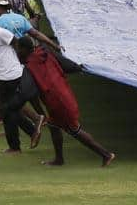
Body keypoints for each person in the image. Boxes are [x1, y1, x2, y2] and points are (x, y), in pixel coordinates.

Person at [16, 37, 115, 167]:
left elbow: (28, 91)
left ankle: (106, 154)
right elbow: (66, 65)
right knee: (54, 126)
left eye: (18, 48)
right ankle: (59, 159)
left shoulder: (29, 66)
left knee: (74, 130)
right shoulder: (45, 52)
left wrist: (19, 99)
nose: (16, 51)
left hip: (58, 100)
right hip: (62, 94)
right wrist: (79, 68)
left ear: (24, 49)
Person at [0, 6, 41, 154]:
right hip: (3, 77)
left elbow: (17, 42)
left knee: (8, 110)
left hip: (12, 75)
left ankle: (31, 127)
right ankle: (26, 137)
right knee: (10, 110)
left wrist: (19, 61)